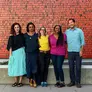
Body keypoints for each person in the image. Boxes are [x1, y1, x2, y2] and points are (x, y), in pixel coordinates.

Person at [65, 18, 85, 88]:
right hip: (70, 52)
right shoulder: (67, 32)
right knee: (71, 68)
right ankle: (72, 81)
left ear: (74, 23)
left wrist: (81, 50)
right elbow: (64, 41)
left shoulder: (79, 31)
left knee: (78, 68)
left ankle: (78, 82)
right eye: (69, 23)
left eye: (71, 22)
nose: (70, 24)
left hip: (78, 52)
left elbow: (82, 42)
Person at [7, 23, 26, 87]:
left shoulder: (22, 35)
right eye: (15, 27)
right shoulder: (11, 36)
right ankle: (15, 81)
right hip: (14, 53)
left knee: (21, 66)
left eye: (18, 27)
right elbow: (10, 46)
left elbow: (25, 44)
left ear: (19, 28)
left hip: (21, 53)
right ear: (13, 28)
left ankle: (20, 82)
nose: (17, 28)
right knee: (15, 67)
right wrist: (10, 55)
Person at [24, 22, 39, 88]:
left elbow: (39, 43)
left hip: (35, 53)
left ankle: (34, 80)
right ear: (27, 28)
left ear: (34, 27)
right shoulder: (25, 35)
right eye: (30, 27)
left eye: (32, 27)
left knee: (34, 66)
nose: (31, 28)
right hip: (28, 53)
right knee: (29, 67)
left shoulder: (37, 35)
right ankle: (30, 80)